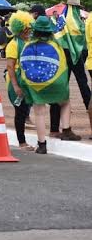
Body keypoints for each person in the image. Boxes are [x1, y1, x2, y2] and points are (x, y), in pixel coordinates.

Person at [20, 16, 81, 154]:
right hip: (55, 82)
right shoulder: (56, 43)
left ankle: (42, 145)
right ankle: (66, 130)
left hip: (34, 83)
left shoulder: (28, 44)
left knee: (39, 112)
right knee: (64, 102)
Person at [52, 0, 91, 134]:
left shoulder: (61, 19)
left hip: (63, 56)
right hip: (76, 56)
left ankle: (54, 128)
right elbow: (82, 38)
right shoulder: (76, 21)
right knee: (84, 86)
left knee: (60, 88)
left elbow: (56, 36)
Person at [5, 11, 36, 151]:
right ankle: (22, 142)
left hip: (28, 79)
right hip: (17, 79)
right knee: (20, 111)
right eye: (26, 29)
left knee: (25, 109)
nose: (28, 31)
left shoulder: (29, 41)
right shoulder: (13, 44)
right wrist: (15, 86)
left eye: (29, 29)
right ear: (19, 29)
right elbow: (10, 67)